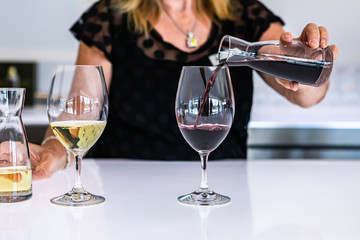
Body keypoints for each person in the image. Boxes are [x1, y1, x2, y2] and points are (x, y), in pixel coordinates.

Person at [29, 0, 338, 180]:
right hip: (128, 193)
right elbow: (79, 115)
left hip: (223, 195)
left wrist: (306, 60)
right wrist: (55, 152)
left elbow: (306, 96)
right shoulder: (110, 17)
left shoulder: (243, 13)